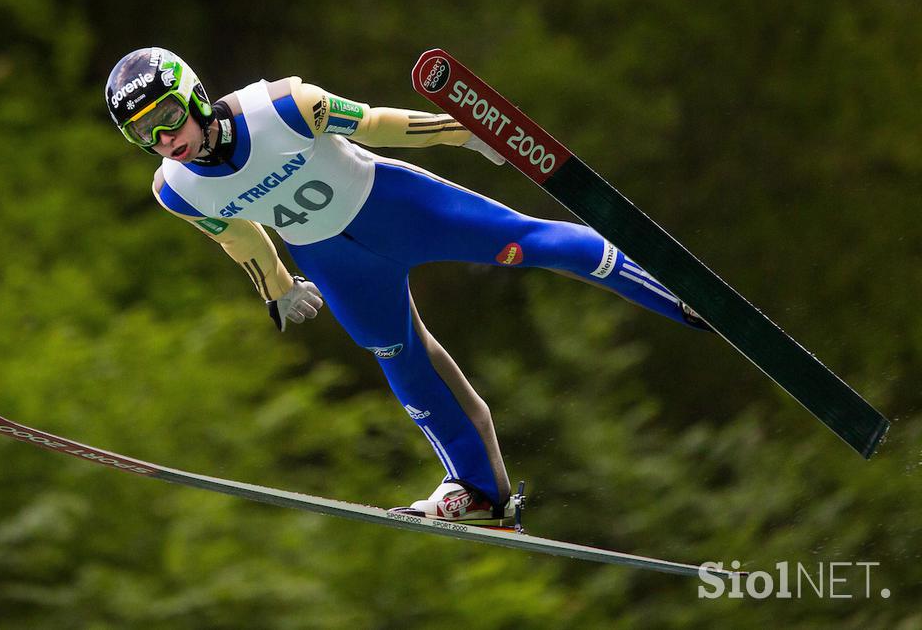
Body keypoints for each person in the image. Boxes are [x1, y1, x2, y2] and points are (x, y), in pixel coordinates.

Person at [105, 47, 708, 527]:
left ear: (193, 97)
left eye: (165, 119)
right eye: (143, 135)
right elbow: (236, 236)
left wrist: (462, 131)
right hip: (336, 262)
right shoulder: (175, 189)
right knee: (399, 357)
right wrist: (278, 288)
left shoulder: (283, 106)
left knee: (526, 244)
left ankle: (674, 288)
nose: (163, 140)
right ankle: (479, 490)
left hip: (393, 207)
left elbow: (375, 124)